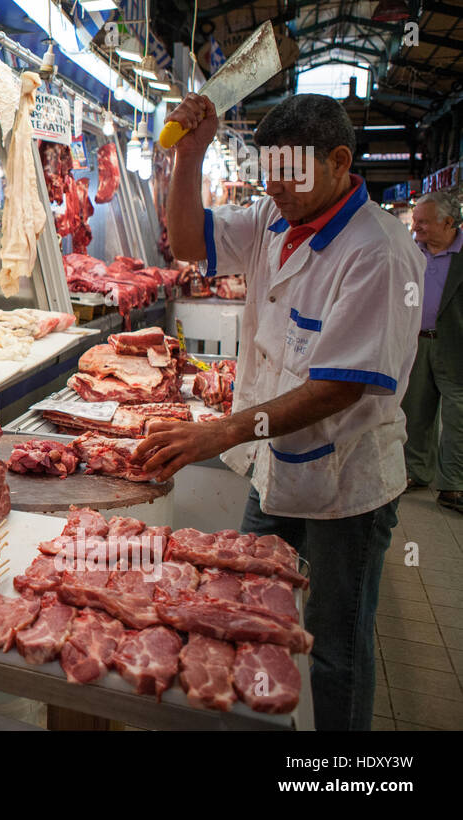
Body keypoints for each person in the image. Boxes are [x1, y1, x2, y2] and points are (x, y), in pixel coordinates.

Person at [135, 93, 425, 731]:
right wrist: (192, 154)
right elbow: (187, 241)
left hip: (345, 484)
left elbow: (338, 387)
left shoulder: (376, 252)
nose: (274, 188)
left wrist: (224, 431)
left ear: (339, 161)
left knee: (333, 647)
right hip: (278, 468)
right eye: (268, 172)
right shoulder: (275, 214)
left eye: (288, 173)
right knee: (242, 610)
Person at [404, 191, 463, 512]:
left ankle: (453, 484)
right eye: (415, 221)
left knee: (457, 416)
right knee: (416, 411)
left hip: (454, 344)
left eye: (423, 222)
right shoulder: (413, 252)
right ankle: (416, 472)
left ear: (449, 222)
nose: (417, 228)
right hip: (417, 341)